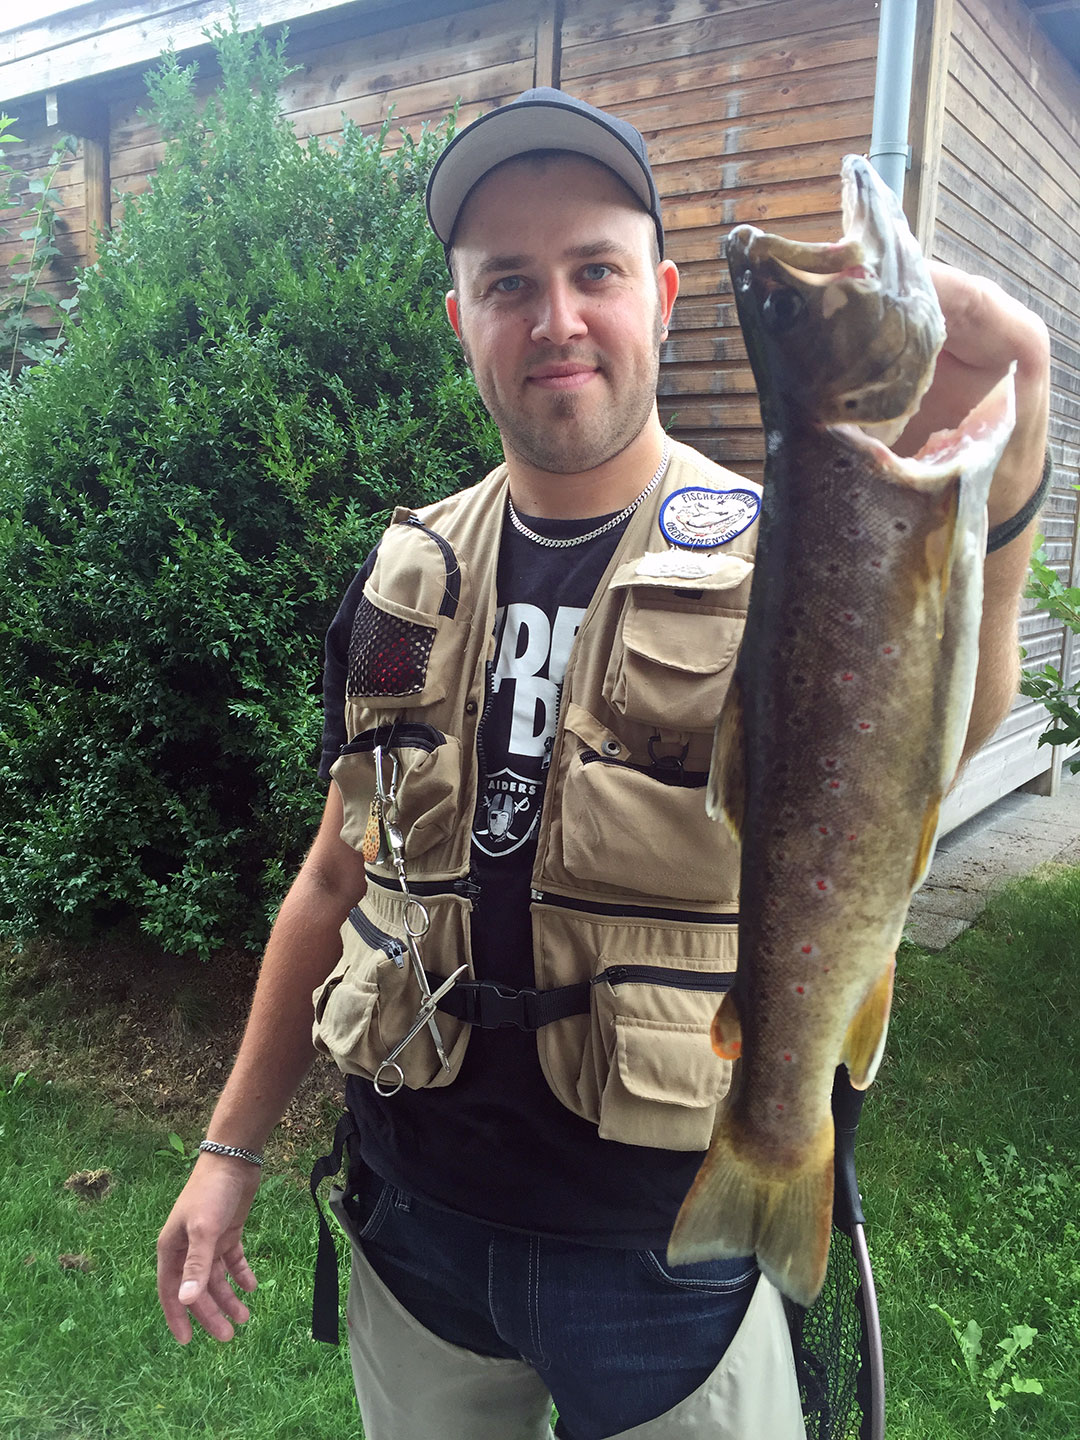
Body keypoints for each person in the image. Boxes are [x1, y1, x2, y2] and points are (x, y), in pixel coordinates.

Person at [157, 88, 1051, 1439]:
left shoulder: (795, 545)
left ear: (666, 298)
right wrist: (228, 1151)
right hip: (414, 1228)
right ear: (461, 319)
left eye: (596, 271)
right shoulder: (406, 574)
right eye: (508, 282)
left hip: (666, 1247)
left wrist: (1006, 459)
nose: (556, 318)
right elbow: (333, 883)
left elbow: (941, 729)